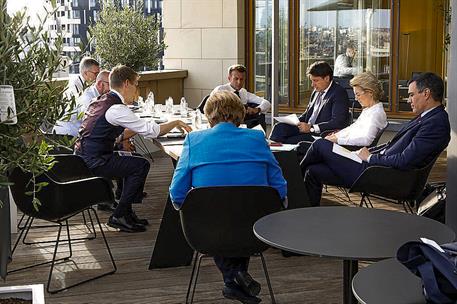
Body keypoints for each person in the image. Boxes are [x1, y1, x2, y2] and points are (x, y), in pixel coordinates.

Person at [169, 91, 287, 304]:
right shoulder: (257, 138)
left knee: (219, 214)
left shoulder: (194, 140)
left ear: (209, 116)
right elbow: (280, 186)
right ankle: (237, 278)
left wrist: (186, 207)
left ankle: (232, 280)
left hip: (206, 230)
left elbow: (177, 192)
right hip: (255, 227)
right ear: (240, 114)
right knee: (239, 212)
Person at [300, 72, 450, 206]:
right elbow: (392, 145)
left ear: (426, 93)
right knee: (313, 171)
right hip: (375, 168)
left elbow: (405, 160)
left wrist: (371, 157)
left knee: (320, 145)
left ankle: (292, 184)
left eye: (411, 94)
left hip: (381, 175)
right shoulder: (427, 118)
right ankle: (303, 212)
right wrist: (368, 152)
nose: (408, 99)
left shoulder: (435, 123)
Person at [75, 65, 192, 233]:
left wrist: (124, 137)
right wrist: (176, 123)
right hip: (94, 161)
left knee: (133, 159)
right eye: (136, 85)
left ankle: (127, 213)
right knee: (140, 165)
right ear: (127, 83)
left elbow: (108, 132)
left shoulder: (103, 100)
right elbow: (151, 131)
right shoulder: (117, 108)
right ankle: (119, 214)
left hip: (82, 157)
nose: (137, 89)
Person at [270, 61, 350, 144]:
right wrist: (294, 121)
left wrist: (311, 128)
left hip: (320, 133)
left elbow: (337, 122)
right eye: (312, 81)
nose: (312, 85)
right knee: (279, 127)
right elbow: (307, 114)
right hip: (307, 128)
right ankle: (267, 152)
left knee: (288, 141)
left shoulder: (338, 93)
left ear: (327, 78)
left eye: (315, 80)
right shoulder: (316, 91)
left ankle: (275, 153)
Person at [324, 71, 387, 148]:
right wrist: (336, 136)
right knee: (317, 143)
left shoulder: (376, 113)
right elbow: (353, 128)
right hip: (348, 147)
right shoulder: (369, 110)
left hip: (352, 152)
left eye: (358, 94)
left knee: (317, 145)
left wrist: (338, 140)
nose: (356, 99)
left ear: (370, 92)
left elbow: (366, 140)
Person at [211, 64, 271, 130]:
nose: (239, 82)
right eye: (236, 79)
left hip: (241, 126)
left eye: (241, 79)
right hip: (222, 125)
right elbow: (212, 108)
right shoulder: (221, 90)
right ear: (229, 78)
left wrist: (257, 109)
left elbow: (267, 103)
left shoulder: (243, 92)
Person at [53, 70, 110, 137]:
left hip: (72, 134)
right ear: (100, 84)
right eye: (110, 84)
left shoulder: (95, 94)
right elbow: (90, 123)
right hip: (65, 136)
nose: (113, 88)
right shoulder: (88, 97)